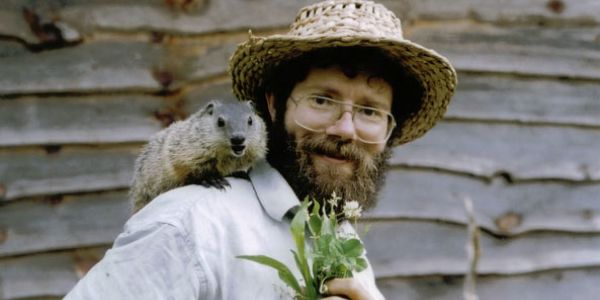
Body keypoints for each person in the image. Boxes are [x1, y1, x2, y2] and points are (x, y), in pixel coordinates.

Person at [65, 0, 456, 299]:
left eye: (370, 111)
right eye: (322, 100)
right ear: (274, 104)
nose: (345, 129)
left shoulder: (341, 236)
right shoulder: (191, 225)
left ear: (389, 129)